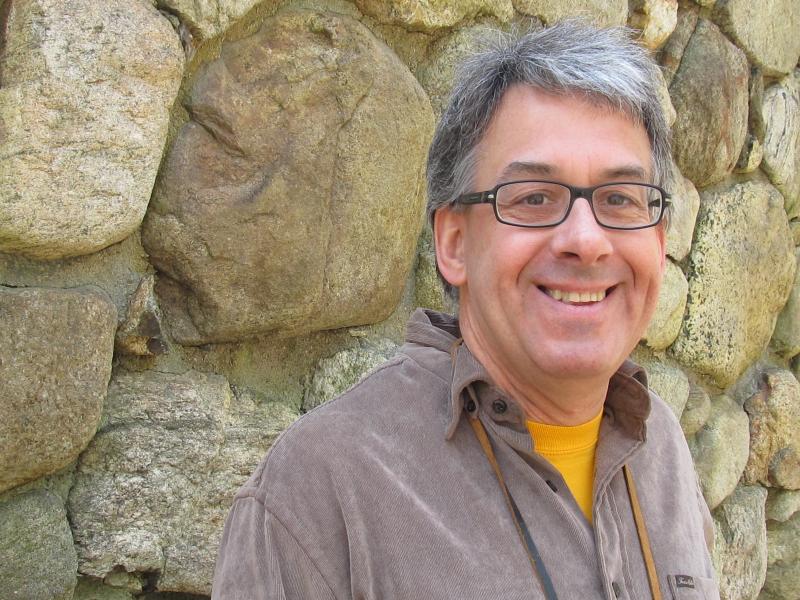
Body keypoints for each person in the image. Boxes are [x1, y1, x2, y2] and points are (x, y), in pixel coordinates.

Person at [211, 21, 720, 600]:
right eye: (534, 198)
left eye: (620, 199)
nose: (587, 240)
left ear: (658, 242)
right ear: (453, 243)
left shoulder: (662, 446)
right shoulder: (320, 491)